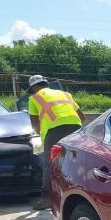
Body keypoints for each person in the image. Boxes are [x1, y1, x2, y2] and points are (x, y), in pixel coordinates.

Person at [26, 75, 85, 210]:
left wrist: (42, 136)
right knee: (74, 161)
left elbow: (35, 124)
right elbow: (82, 116)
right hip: (76, 126)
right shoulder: (65, 94)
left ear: (34, 87)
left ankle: (46, 198)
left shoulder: (34, 98)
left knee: (49, 163)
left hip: (54, 130)